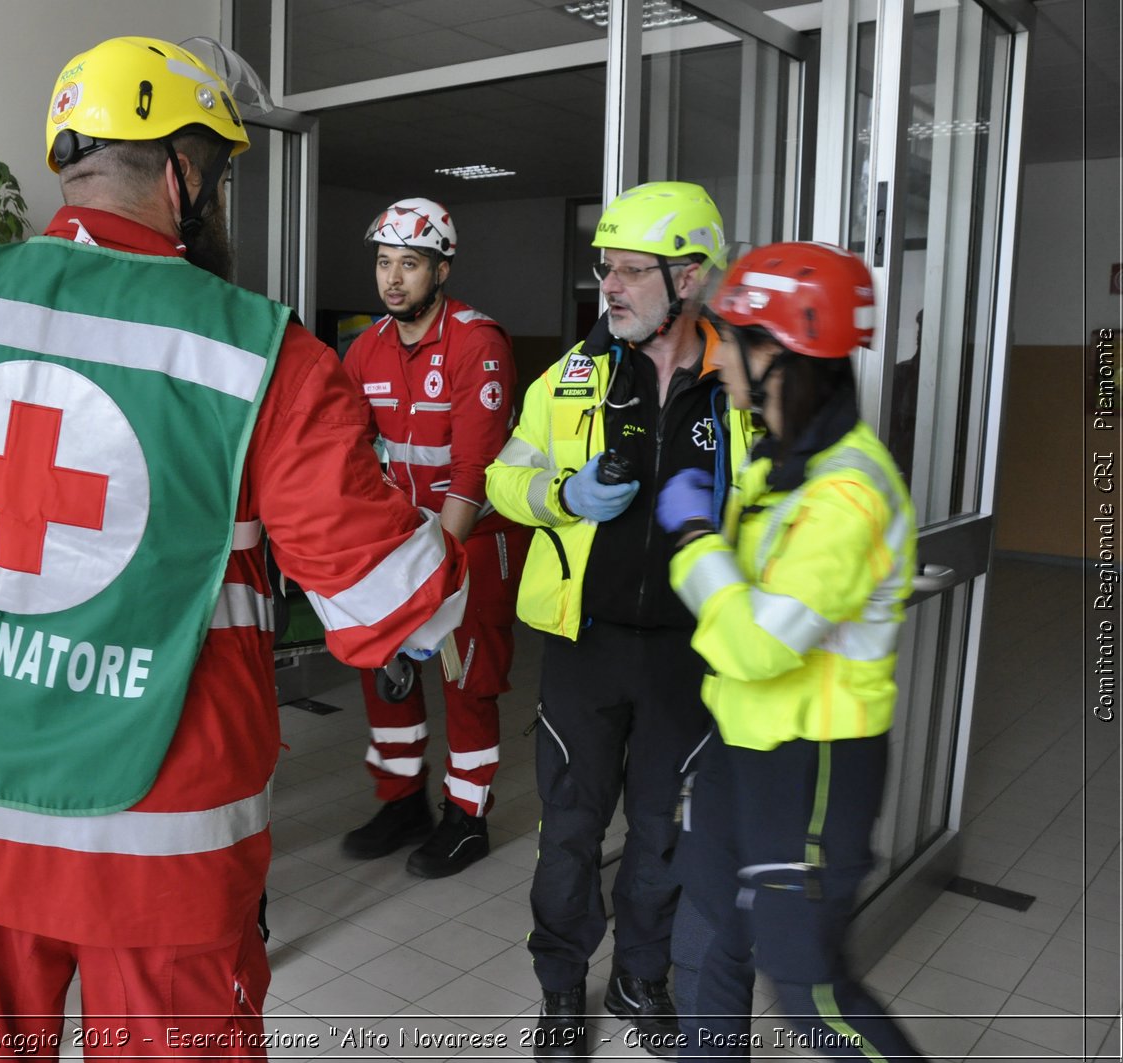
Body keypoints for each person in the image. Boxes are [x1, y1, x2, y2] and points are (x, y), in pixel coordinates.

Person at [0, 35, 469, 1058]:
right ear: (186, 174)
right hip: (156, 832)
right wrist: (460, 557)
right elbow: (381, 601)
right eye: (222, 176)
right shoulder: (261, 352)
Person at [485, 181, 756, 1058]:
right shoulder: (570, 378)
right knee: (567, 829)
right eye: (607, 269)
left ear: (691, 276)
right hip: (586, 646)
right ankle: (562, 989)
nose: (612, 286)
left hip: (691, 653)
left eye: (634, 271)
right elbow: (502, 477)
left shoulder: (745, 385)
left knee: (662, 831)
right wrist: (562, 494)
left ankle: (641, 975)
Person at [657, 242, 923, 1061]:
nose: (718, 356)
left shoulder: (848, 490)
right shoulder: (782, 462)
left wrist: (696, 538)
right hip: (743, 749)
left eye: (727, 337)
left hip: (814, 766)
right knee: (705, 945)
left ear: (773, 353)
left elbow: (760, 641)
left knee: (808, 987)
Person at [338, 197, 529, 878]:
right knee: (382, 668)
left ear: (441, 270)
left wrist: (439, 566)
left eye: (410, 265)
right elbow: (354, 455)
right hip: (402, 539)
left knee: (465, 678)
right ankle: (401, 800)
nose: (393, 279)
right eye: (385, 263)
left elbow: (473, 472)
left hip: (470, 538)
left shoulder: (479, 341)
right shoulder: (364, 349)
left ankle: (467, 815)